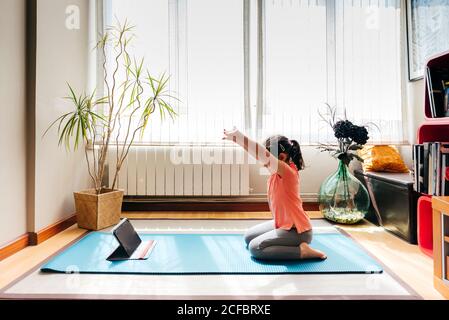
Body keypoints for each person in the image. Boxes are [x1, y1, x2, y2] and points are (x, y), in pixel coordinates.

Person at [223, 127, 327, 261]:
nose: (263, 161)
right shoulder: (277, 172)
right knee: (248, 237)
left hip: (298, 232)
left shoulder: (287, 172)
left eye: (267, 156)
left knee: (256, 248)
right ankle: (290, 242)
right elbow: (259, 154)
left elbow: (260, 153)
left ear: (282, 157)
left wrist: (239, 136)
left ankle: (302, 251)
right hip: (283, 223)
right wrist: (237, 140)